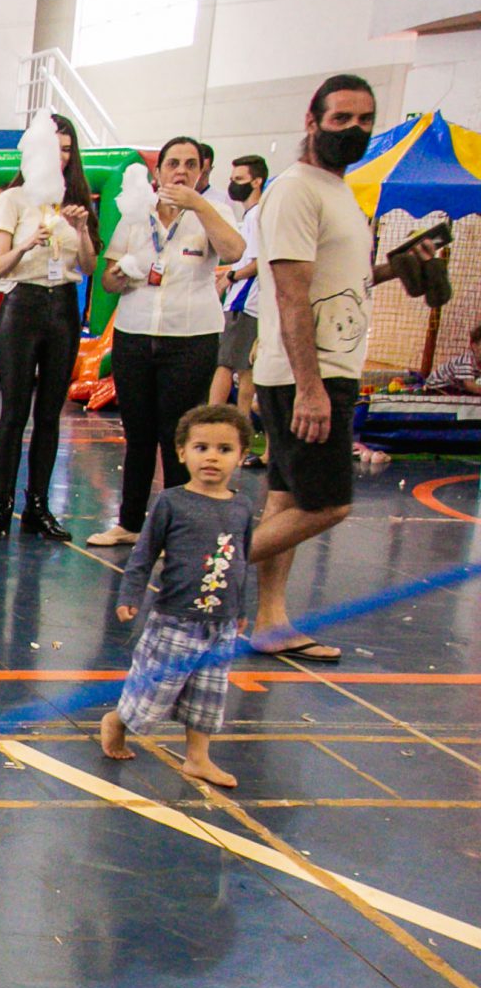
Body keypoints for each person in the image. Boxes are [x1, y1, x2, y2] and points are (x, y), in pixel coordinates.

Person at [245, 75, 443, 663]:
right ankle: (201, 565)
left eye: (364, 120)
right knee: (329, 504)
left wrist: (395, 268)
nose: (354, 129)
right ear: (312, 122)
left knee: (286, 501)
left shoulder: (340, 194)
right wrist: (310, 388)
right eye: (341, 119)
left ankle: (270, 622)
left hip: (325, 367)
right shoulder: (296, 191)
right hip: (309, 373)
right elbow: (290, 295)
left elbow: (340, 283)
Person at [86, 137, 248, 548]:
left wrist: (200, 206)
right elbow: (107, 280)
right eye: (173, 163)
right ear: (157, 172)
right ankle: (128, 523)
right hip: (135, 334)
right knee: (138, 435)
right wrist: (118, 276)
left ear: (201, 171)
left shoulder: (214, 211)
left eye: (190, 164)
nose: (181, 171)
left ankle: (179, 532)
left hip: (190, 338)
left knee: (180, 436)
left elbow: (234, 251)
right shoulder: (136, 214)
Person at [98, 404, 253, 789]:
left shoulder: (242, 507)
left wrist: (241, 607)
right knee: (153, 691)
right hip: (175, 619)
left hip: (221, 624)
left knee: (208, 695)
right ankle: (118, 721)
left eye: (224, 449)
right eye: (202, 448)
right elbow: (144, 554)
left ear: (241, 456)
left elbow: (243, 560)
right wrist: (130, 593)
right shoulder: (171, 502)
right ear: (182, 452)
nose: (212, 457)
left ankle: (198, 758)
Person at [0, 114, 102, 543]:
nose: (60, 157)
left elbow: (89, 266)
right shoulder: (13, 199)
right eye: (54, 148)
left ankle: (38, 506)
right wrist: (28, 244)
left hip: (63, 307)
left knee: (49, 414)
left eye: (67, 149)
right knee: (14, 412)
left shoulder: (78, 201)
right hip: (22, 305)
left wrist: (82, 229)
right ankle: (1, 506)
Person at [208, 155, 271, 453]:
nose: (233, 184)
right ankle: (239, 432)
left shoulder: (257, 216)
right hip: (245, 300)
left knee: (226, 364)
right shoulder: (250, 216)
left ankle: (212, 424)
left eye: (239, 179)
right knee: (245, 370)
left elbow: (257, 263)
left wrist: (231, 277)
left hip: (245, 303)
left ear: (257, 181)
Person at [424, 321, 481, 395]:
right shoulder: (466, 361)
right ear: (474, 346)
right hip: (438, 386)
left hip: (454, 387)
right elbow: (469, 385)